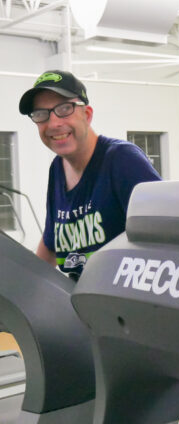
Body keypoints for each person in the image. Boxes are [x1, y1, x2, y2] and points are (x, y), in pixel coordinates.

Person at [19, 70, 162, 280]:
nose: (53, 123)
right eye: (41, 114)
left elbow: (164, 239)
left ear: (87, 114)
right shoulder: (57, 168)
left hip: (122, 303)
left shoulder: (121, 160)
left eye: (64, 109)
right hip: (80, 300)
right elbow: (50, 245)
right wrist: (24, 285)